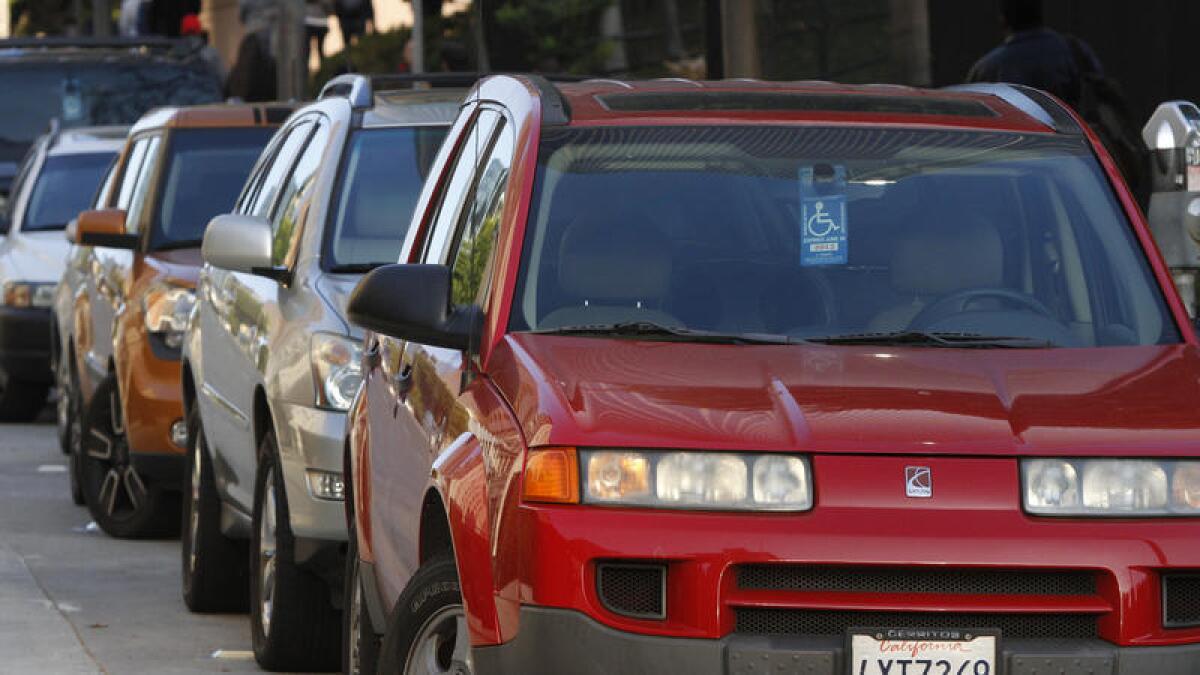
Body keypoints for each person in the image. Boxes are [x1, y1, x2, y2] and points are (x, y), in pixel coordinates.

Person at [967, 0, 1099, 108]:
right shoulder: (1075, 50)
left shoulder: (987, 68)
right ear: (1040, 15)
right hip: (1074, 139)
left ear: (1003, 19)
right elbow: (1098, 95)